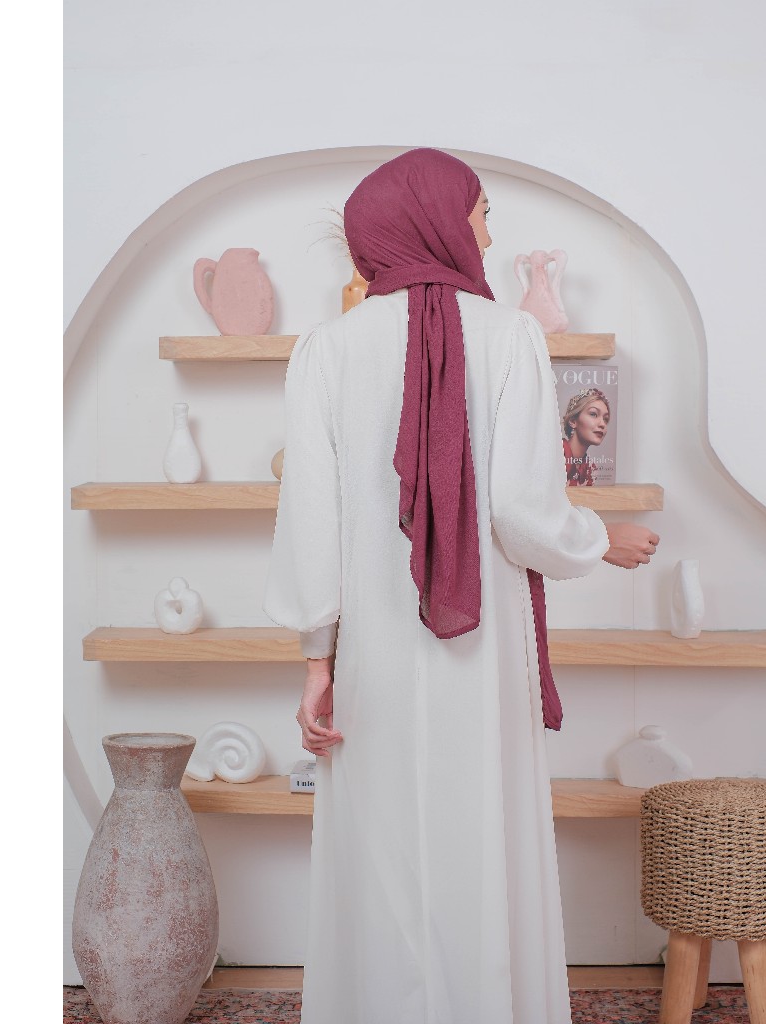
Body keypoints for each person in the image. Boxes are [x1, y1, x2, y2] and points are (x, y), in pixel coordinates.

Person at [264, 148, 659, 1024]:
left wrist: (316, 662)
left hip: (372, 649)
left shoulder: (326, 349)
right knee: (482, 835)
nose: (486, 234)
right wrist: (600, 541)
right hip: (481, 654)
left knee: (381, 848)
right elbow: (523, 511)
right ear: (435, 218)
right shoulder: (510, 336)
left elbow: (312, 522)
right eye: (481, 214)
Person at [561, 388, 610, 486]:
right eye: (593, 414)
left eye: (605, 419)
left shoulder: (590, 469)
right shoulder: (555, 454)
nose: (602, 424)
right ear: (573, 421)